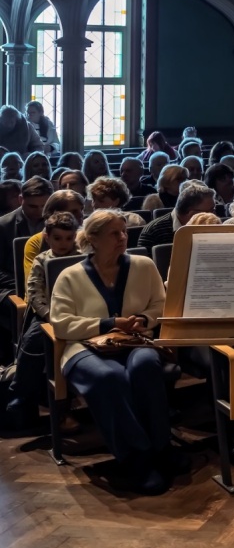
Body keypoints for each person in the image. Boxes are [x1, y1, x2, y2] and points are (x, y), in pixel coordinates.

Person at [49, 210, 178, 495]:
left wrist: (144, 320)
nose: (123, 237)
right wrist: (108, 323)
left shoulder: (143, 265)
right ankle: (138, 457)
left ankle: (161, 446)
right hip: (83, 347)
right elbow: (61, 323)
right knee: (110, 378)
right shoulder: (69, 276)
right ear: (93, 239)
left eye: (123, 232)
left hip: (134, 341)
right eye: (114, 233)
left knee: (145, 365)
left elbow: (160, 304)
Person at [3, 211, 80, 429]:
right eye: (57, 238)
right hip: (48, 313)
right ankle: (19, 391)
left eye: (69, 238)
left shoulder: (83, 255)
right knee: (32, 340)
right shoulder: (42, 259)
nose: (63, 243)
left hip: (79, 312)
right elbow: (35, 293)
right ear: (47, 237)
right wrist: (48, 315)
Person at [20, 188, 84, 283]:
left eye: (81, 209)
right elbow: (33, 284)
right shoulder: (35, 243)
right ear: (56, 214)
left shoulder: (87, 238)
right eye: (74, 211)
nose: (81, 215)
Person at [0, 176, 51, 294]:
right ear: (20, 199)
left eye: (44, 206)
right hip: (13, 288)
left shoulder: (56, 221)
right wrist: (27, 283)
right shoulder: (3, 226)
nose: (40, 211)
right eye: (32, 206)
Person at [137, 181, 216, 250]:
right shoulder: (153, 232)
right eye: (210, 211)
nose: (214, 215)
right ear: (192, 214)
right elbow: (144, 266)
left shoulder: (215, 227)